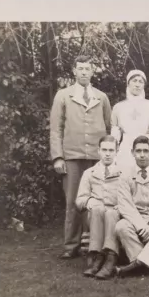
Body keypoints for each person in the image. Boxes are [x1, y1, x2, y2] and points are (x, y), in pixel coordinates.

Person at [50, 55, 112, 259]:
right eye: (81, 68)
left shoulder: (101, 97)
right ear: (74, 71)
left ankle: (95, 244)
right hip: (72, 156)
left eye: (88, 68)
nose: (84, 72)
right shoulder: (63, 95)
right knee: (72, 201)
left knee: (98, 200)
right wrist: (58, 157)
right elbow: (56, 129)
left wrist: (107, 155)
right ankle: (71, 245)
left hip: (97, 158)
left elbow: (108, 127)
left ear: (92, 72)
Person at [108, 136, 149, 280]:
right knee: (121, 226)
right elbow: (125, 205)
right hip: (135, 219)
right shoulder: (125, 175)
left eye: (145, 151)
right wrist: (140, 226)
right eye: (138, 151)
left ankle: (137, 265)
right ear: (132, 153)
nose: (142, 155)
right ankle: (147, 262)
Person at [75, 135, 122, 277]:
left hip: (116, 213)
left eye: (111, 150)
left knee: (111, 213)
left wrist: (121, 206)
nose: (107, 153)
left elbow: (130, 197)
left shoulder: (124, 173)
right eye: (104, 150)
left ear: (117, 151)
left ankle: (110, 257)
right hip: (96, 214)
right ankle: (96, 255)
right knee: (98, 209)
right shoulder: (89, 173)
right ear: (99, 151)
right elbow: (79, 199)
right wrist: (90, 201)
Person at [110, 69, 149, 172]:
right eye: (134, 81)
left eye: (140, 81)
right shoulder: (118, 107)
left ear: (144, 85)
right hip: (125, 151)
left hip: (145, 149)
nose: (137, 84)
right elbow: (115, 133)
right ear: (128, 83)